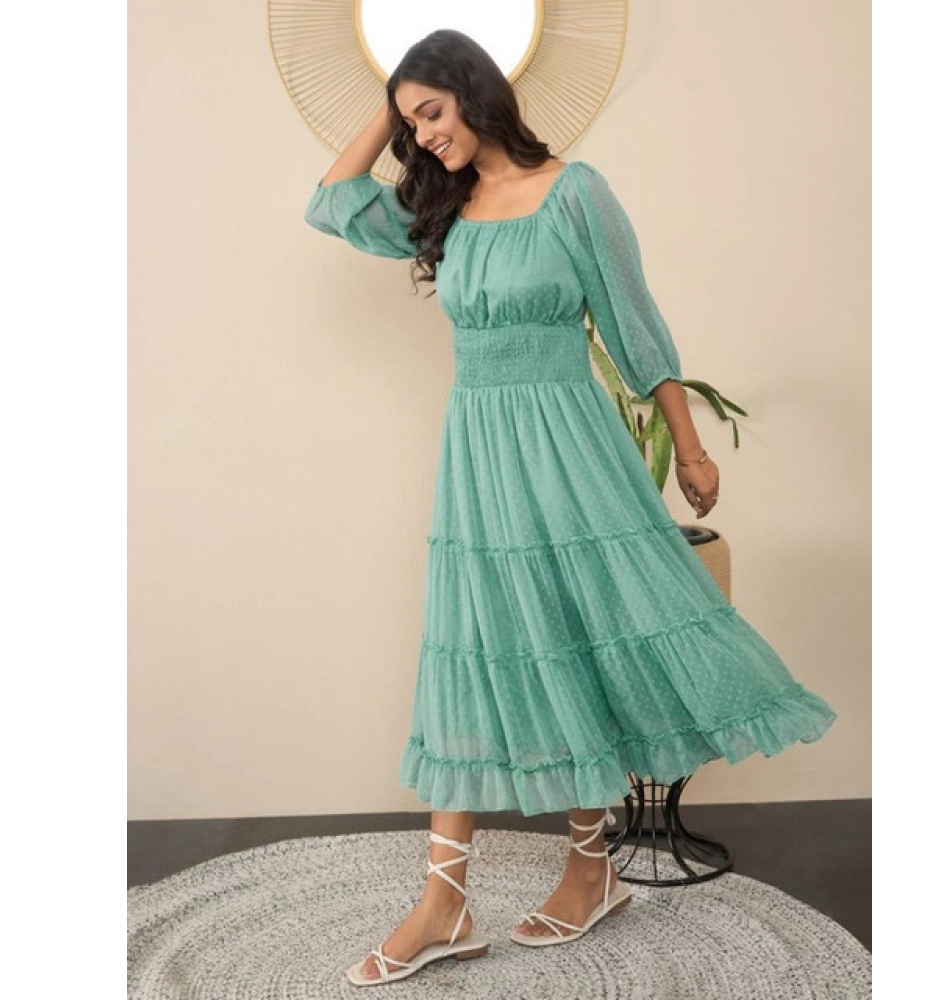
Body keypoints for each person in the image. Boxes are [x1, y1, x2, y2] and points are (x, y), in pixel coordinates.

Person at [304, 28, 837, 988]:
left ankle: (586, 872)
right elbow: (330, 202)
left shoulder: (575, 192)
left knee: (575, 634)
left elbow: (636, 325)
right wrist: (392, 104)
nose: (423, 136)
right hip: (478, 456)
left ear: (477, 91)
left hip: (568, 448)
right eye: (411, 122)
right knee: (476, 643)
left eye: (434, 111)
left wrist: (691, 447)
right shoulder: (444, 209)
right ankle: (449, 898)